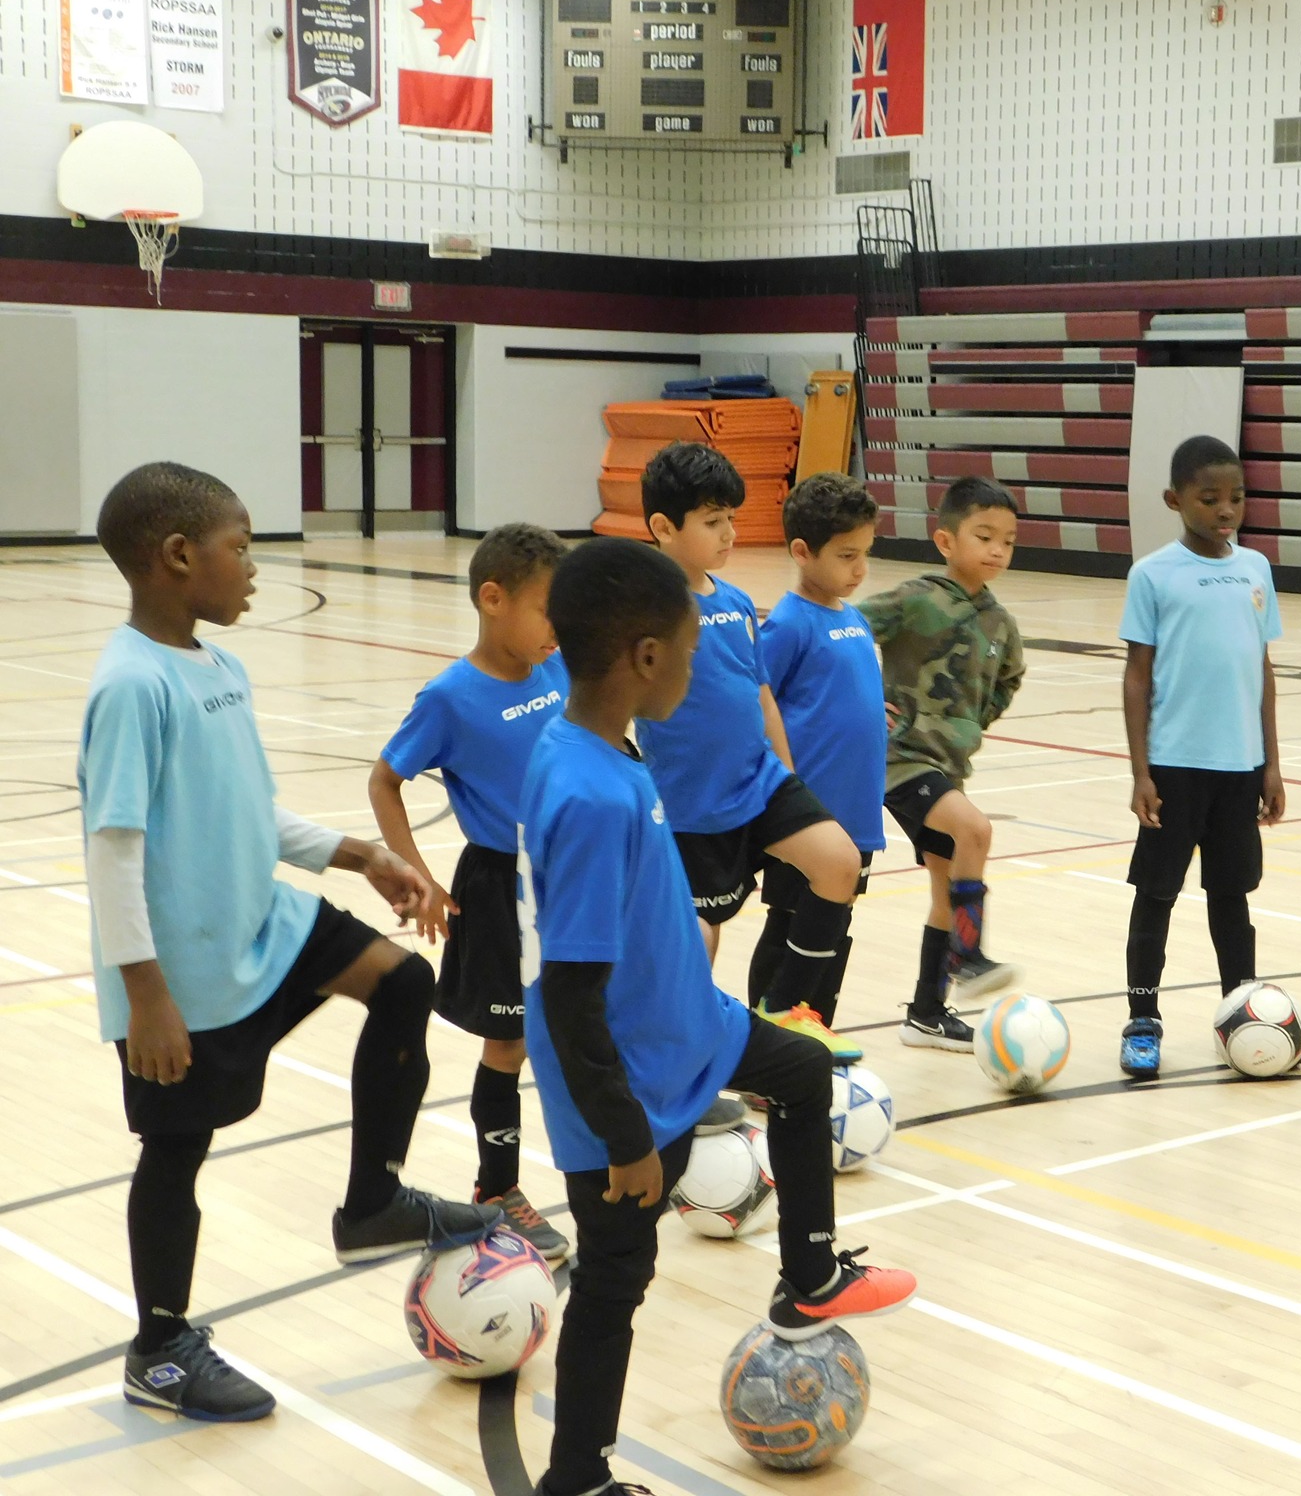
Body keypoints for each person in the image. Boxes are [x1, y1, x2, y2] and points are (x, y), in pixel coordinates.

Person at [80, 463, 500, 1424]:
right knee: (176, 1151)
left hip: (264, 923)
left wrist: (356, 855)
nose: (255, 566)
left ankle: (373, 1202)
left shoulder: (218, 666)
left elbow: (250, 811)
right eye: (240, 546)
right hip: (178, 969)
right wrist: (146, 994)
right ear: (180, 557)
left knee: (402, 983)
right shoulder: (130, 686)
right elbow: (114, 854)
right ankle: (161, 1348)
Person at [521, 537, 916, 1496]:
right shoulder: (585, 791)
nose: (702, 665)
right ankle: (576, 1478)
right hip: (625, 1076)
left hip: (689, 1021)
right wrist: (624, 1138)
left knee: (799, 1067)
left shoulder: (602, 749)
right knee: (616, 1286)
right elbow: (570, 993)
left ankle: (810, 1272)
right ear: (646, 657)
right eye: (692, 648)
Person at [368, 523, 572, 1260]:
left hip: (569, 874)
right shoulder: (450, 697)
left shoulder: (558, 669)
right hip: (498, 885)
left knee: (589, 1021)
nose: (560, 625)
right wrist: (413, 871)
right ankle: (500, 1187)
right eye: (549, 608)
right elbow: (385, 779)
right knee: (508, 1042)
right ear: (493, 599)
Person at [635, 442, 864, 1062]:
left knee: (839, 863)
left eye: (731, 518)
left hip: (762, 784)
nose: (730, 533)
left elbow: (763, 699)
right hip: (692, 808)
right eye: (713, 522)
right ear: (663, 528)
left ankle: (783, 1010)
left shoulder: (735, 604)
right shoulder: (641, 613)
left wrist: (789, 780)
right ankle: (686, 1058)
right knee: (698, 942)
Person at [1117, 436, 1285, 1079]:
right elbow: (1137, 676)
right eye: (1209, 498)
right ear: (1174, 500)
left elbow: (1262, 668)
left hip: (1239, 768)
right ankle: (1142, 1020)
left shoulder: (1256, 569)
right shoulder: (1153, 574)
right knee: (1155, 895)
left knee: (1232, 898)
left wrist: (1270, 763)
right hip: (1174, 766)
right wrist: (1141, 771)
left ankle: (1240, 1015)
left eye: (1236, 497)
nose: (1226, 509)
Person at [859, 476, 1028, 1046]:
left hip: (946, 767)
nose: (997, 550)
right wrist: (864, 699)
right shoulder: (915, 599)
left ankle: (926, 1014)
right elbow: (845, 632)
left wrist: (973, 722)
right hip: (901, 762)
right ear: (945, 540)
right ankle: (970, 955)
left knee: (944, 890)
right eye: (984, 536)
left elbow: (1009, 680)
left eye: (1007, 540)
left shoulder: (1000, 623)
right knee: (974, 830)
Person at [752, 475, 886, 1027]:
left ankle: (815, 1027)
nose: (860, 569)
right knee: (788, 921)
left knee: (835, 925)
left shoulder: (852, 618)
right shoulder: (787, 624)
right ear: (802, 552)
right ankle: (768, 1031)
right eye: (846, 555)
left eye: (866, 554)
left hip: (857, 813)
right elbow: (760, 703)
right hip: (807, 815)